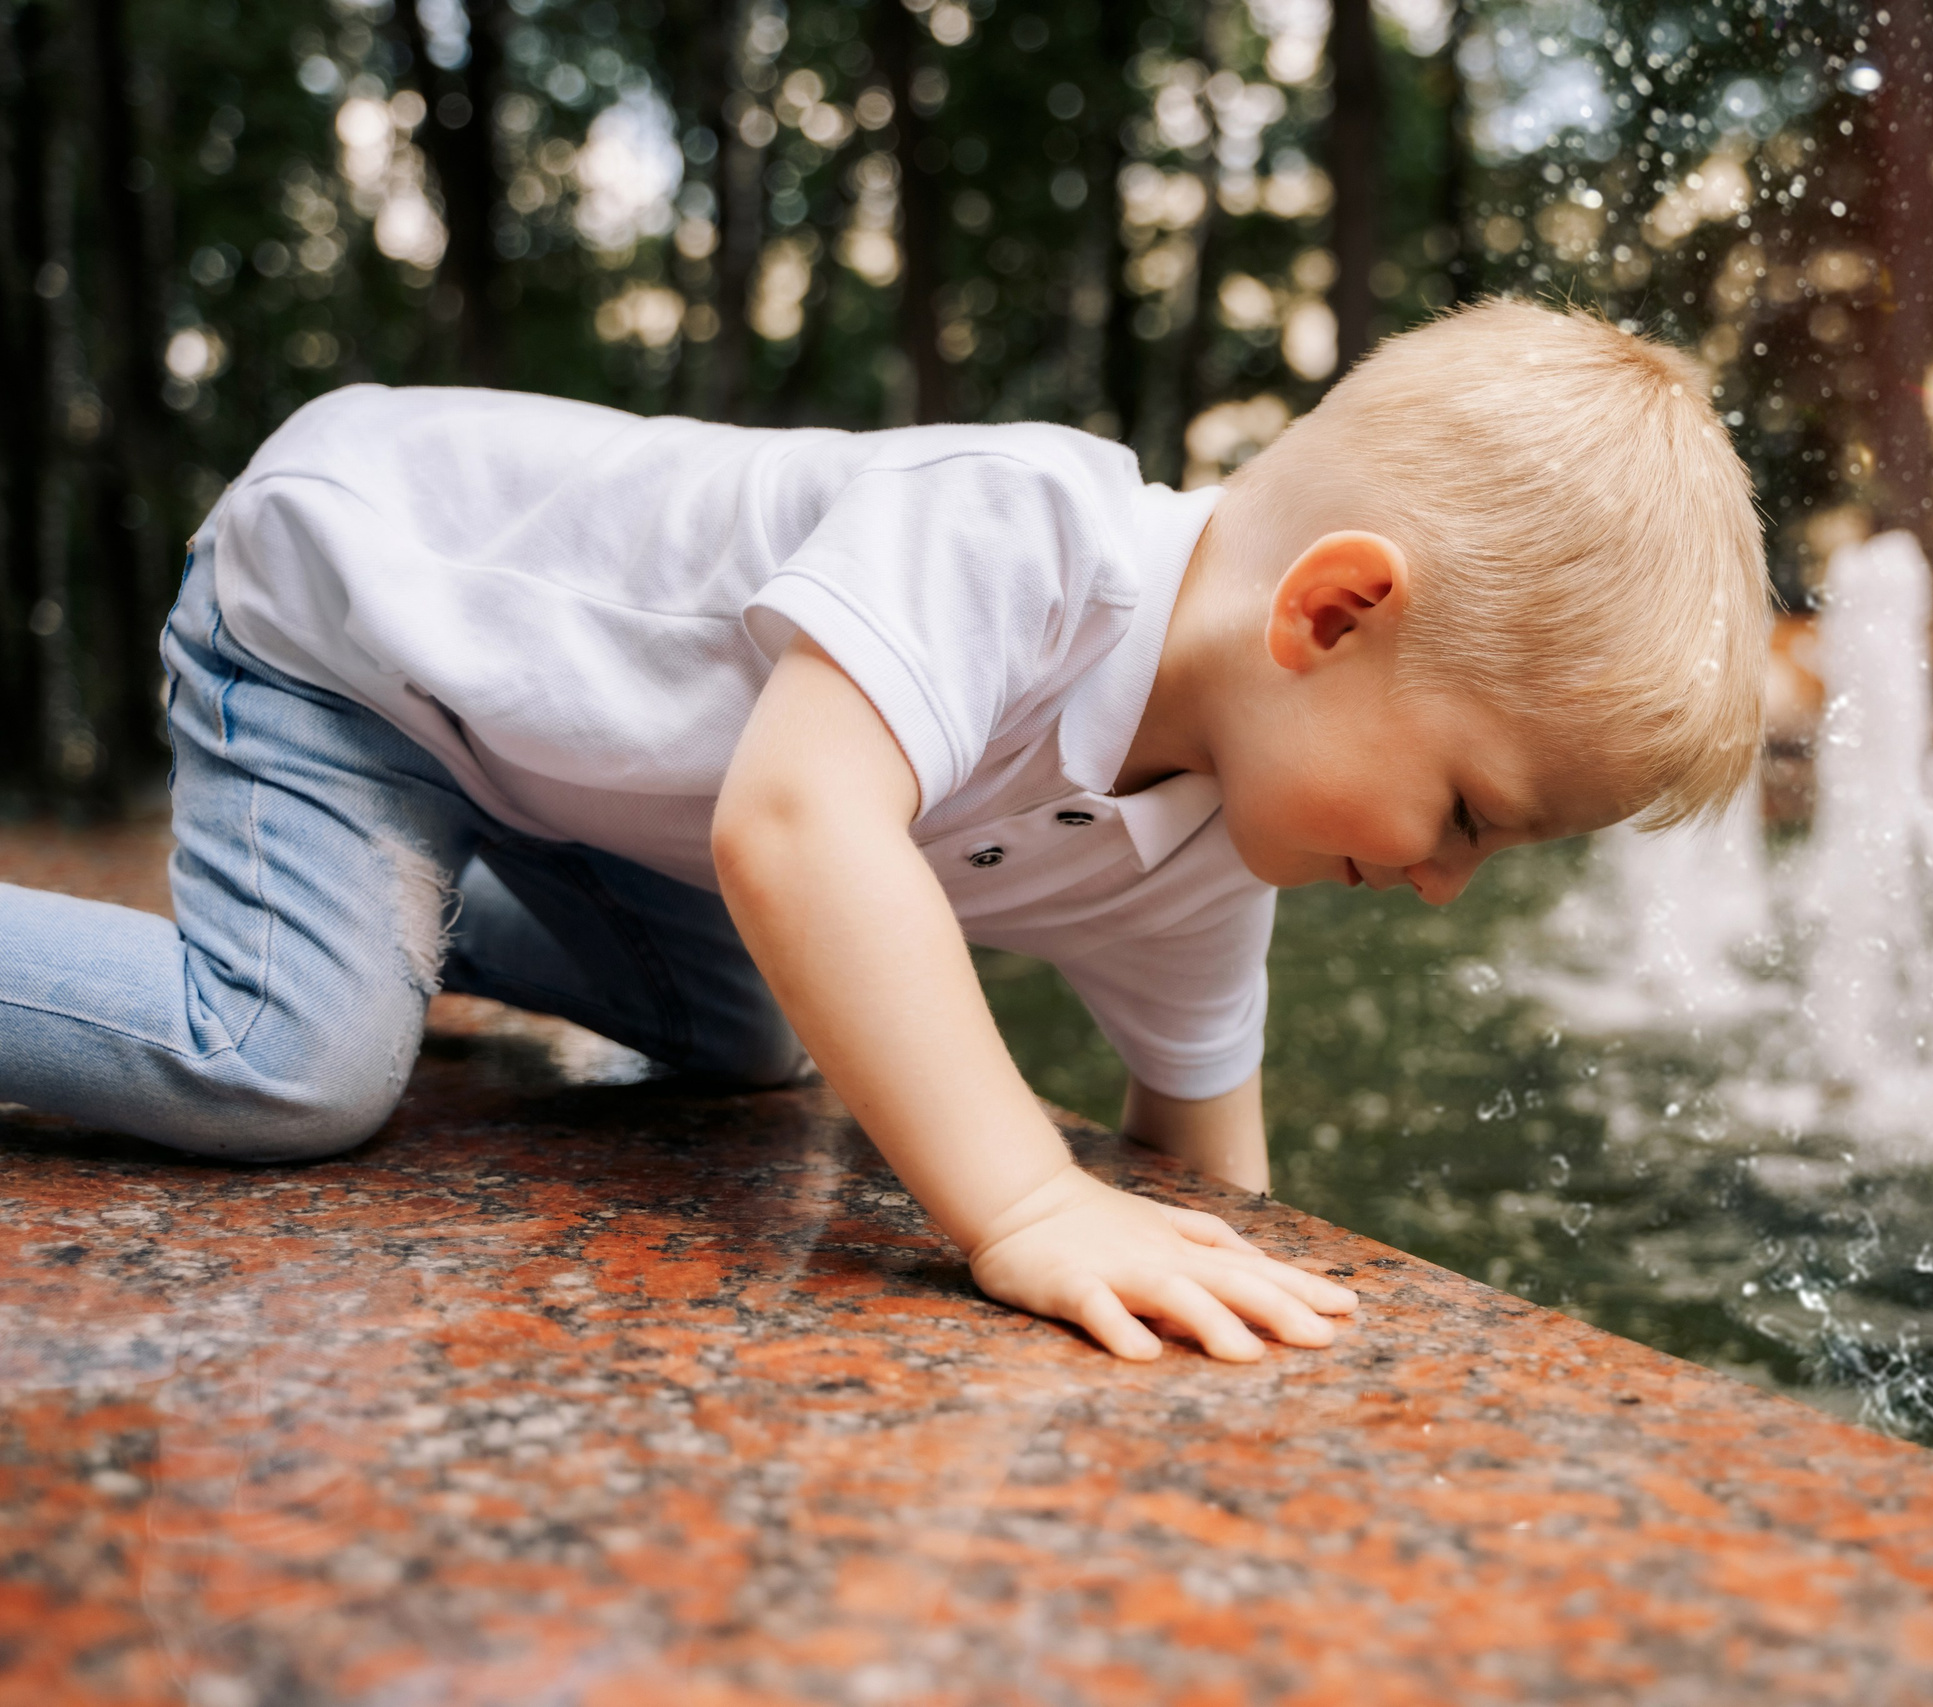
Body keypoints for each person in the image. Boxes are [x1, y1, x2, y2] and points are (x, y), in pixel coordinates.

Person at [0, 299, 1769, 1363]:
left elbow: (1198, 1164)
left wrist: (1205, 1286)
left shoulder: (1211, 850)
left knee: (755, 1033)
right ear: (1330, 614)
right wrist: (1018, 1204)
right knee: (293, 1066)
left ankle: (389, 906)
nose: (1450, 878)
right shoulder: (1015, 530)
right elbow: (793, 826)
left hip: (544, 770)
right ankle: (329, 931)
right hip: (356, 620)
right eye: (1468, 810)